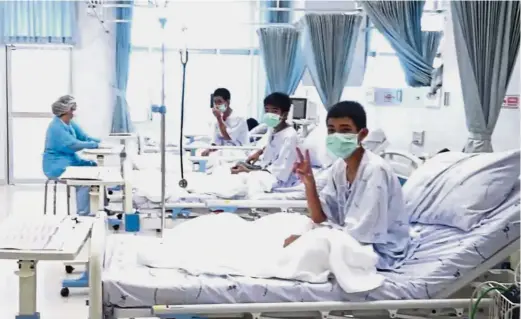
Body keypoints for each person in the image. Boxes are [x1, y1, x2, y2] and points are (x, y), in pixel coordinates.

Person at [286, 101, 410, 270]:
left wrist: (309, 240)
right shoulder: (339, 167)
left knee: (302, 250)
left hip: (377, 250)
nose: (336, 136)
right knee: (291, 233)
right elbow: (319, 217)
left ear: (362, 134)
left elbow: (361, 236)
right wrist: (309, 183)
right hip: (349, 239)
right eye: (331, 130)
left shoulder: (375, 171)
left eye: (345, 130)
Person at [42, 95, 101, 216]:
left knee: (95, 168)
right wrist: (93, 145)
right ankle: (84, 215)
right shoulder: (56, 127)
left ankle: (103, 207)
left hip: (71, 162)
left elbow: (84, 137)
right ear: (65, 111)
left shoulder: (69, 123)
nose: (74, 112)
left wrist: (100, 142)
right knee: (84, 182)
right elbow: (73, 145)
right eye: (72, 109)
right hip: (57, 167)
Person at [231, 92, 298, 188]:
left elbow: (280, 171)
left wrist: (249, 171)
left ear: (285, 114)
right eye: (267, 110)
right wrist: (260, 152)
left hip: (274, 180)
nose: (269, 114)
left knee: (240, 180)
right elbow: (274, 146)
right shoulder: (273, 128)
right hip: (264, 170)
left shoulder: (290, 136)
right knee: (236, 167)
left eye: (274, 111)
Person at [201, 88, 249, 156]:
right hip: (223, 151)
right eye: (215, 102)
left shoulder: (239, 118)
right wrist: (209, 150)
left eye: (220, 102)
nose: (217, 105)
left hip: (238, 151)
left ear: (228, 102)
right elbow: (216, 142)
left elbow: (228, 137)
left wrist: (219, 119)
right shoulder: (217, 120)